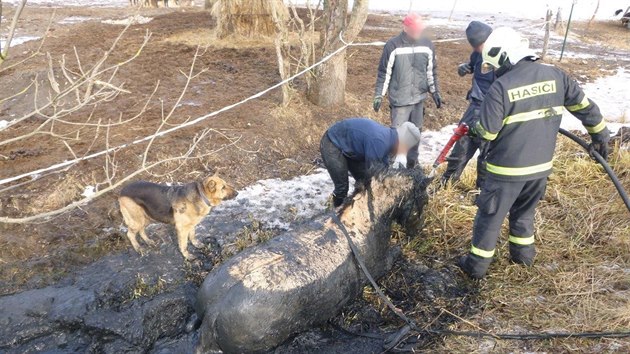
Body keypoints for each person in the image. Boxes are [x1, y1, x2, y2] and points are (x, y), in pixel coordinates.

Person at [458, 27, 610, 279]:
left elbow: (487, 132)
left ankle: (476, 266)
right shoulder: (556, 76)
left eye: (496, 65)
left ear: (505, 57)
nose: (495, 71)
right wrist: (600, 135)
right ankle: (522, 257)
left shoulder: (501, 87)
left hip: (506, 170)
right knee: (524, 214)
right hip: (540, 169)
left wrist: (473, 127)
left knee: (490, 218)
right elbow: (584, 107)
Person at [373, 12, 442, 169]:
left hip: (418, 98)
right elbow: (384, 73)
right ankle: (392, 166)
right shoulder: (393, 45)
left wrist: (435, 91)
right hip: (400, 99)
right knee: (397, 134)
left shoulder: (427, 45)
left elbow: (432, 71)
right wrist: (379, 94)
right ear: (406, 27)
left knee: (415, 132)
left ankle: (412, 163)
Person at [440, 21, 494, 188]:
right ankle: (447, 184)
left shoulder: (503, 56)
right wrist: (466, 67)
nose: (479, 49)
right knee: (461, 144)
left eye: (481, 45)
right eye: (476, 46)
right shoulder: (477, 54)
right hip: (474, 107)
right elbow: (473, 65)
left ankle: (481, 193)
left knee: (487, 153)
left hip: (493, 110)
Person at [320, 118, 421, 207]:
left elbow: (383, 168)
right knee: (342, 188)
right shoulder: (379, 141)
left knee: (362, 182)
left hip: (352, 148)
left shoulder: (389, 139)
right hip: (332, 142)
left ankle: (355, 212)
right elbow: (374, 175)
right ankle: (334, 214)